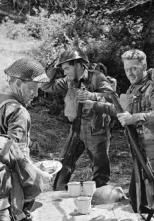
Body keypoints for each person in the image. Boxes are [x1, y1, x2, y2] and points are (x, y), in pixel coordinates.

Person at [78, 49, 154, 221]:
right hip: (139, 152)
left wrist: (134, 118)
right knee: (136, 197)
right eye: (127, 69)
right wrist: (93, 105)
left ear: (144, 66)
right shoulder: (133, 88)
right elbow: (120, 110)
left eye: (134, 68)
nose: (130, 73)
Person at [41, 48, 114, 189]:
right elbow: (45, 86)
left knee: (100, 170)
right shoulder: (68, 81)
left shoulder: (97, 77)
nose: (65, 72)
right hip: (76, 128)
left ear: (79, 65)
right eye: (63, 69)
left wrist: (91, 96)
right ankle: (59, 190)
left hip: (95, 129)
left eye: (67, 68)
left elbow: (111, 97)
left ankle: (97, 200)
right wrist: (53, 66)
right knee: (63, 163)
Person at [0, 57, 49, 157]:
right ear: (19, 83)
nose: (36, 94)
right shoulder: (19, 113)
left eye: (38, 89)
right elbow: (18, 156)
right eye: (32, 88)